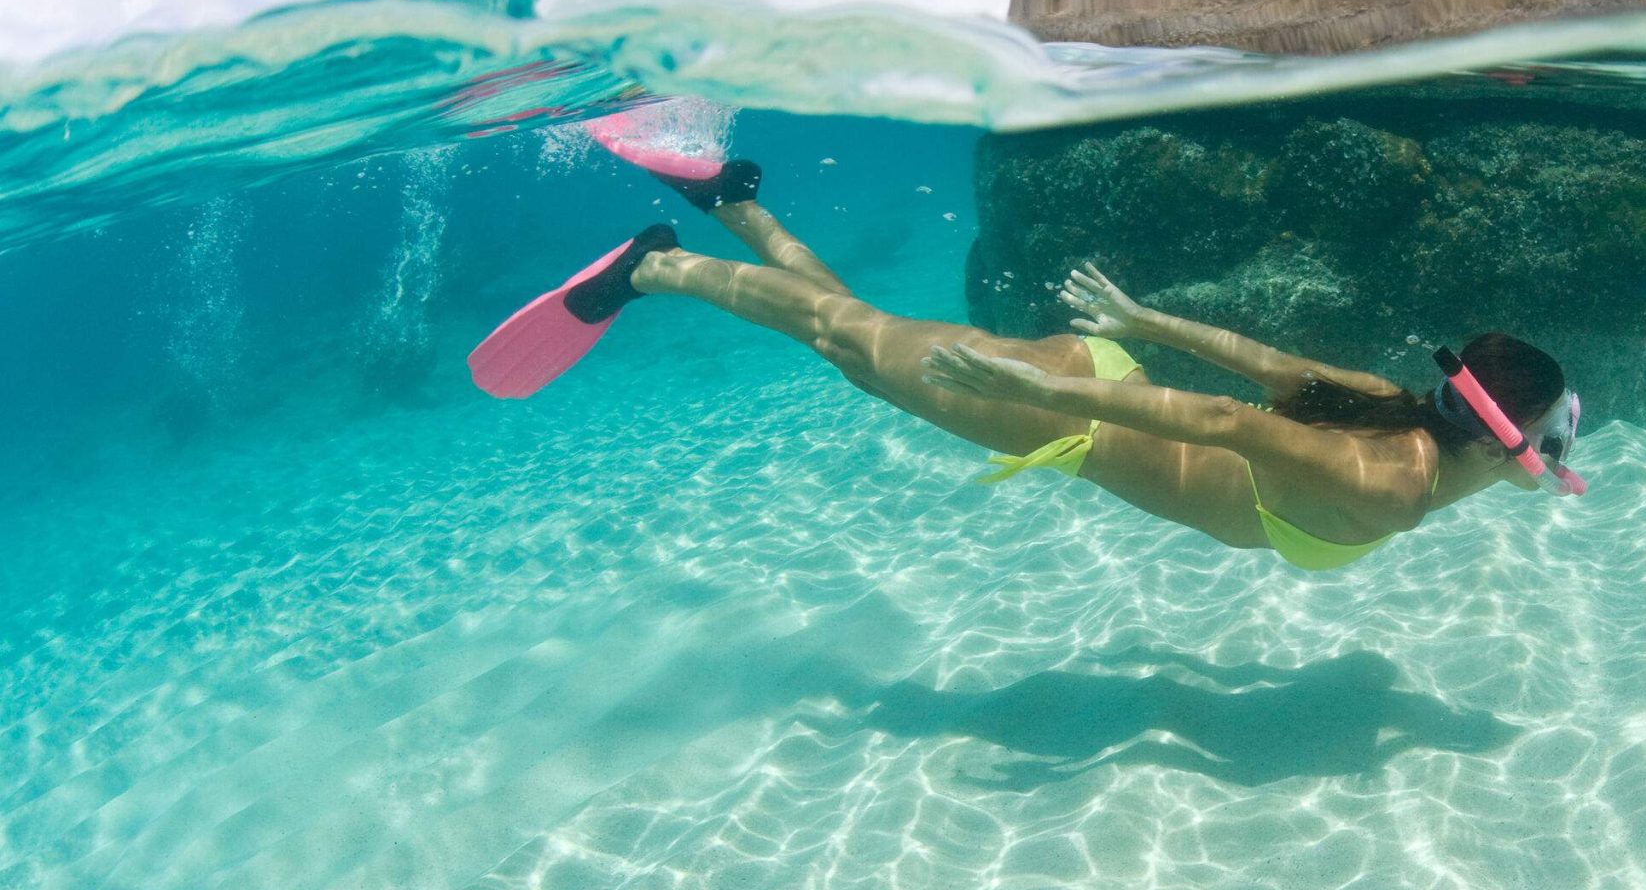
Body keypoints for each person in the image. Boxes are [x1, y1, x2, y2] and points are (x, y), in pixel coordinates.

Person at [470, 151, 1585, 570]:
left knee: (857, 335)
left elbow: (1262, 360)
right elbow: (1232, 425)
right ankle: (652, 268)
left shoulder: (1398, 417)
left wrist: (1140, 321)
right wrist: (1038, 388)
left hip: (1098, 385)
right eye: (1556, 439)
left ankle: (733, 205)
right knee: (847, 339)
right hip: (1071, 412)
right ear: (1513, 448)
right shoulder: (1388, 485)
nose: (1560, 456)